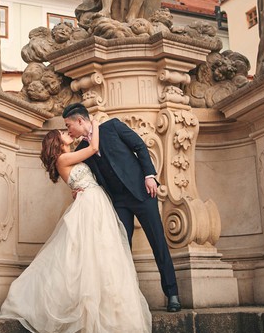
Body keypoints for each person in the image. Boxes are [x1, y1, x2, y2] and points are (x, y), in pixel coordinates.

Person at [0, 119, 154, 333]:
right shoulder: (64, 156)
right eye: (63, 132)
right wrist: (91, 123)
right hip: (90, 207)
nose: (67, 132)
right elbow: (94, 148)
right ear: (56, 143)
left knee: (98, 259)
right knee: (87, 257)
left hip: (94, 204)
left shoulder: (66, 158)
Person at [62, 103, 181, 313]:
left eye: (68, 125)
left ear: (80, 120)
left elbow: (140, 147)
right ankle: (128, 300)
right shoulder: (82, 149)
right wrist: (77, 188)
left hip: (143, 194)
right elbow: (81, 174)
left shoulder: (113, 127)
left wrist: (149, 176)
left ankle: (172, 294)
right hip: (117, 203)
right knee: (121, 250)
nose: (68, 130)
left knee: (158, 242)